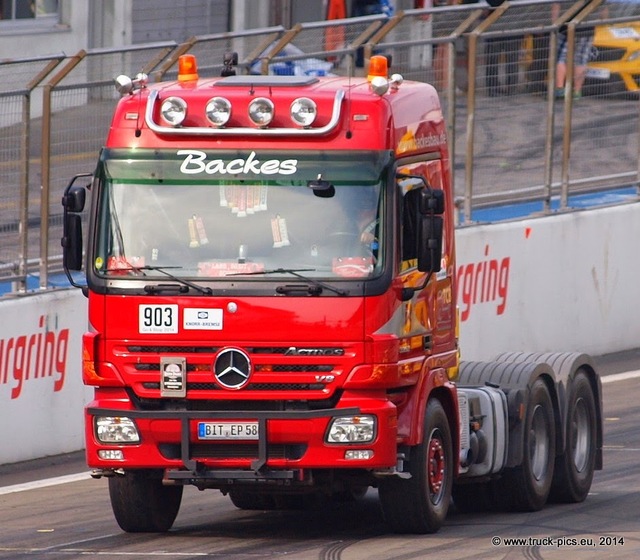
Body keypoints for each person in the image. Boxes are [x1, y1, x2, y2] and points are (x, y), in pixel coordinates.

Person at [553, 1, 608, 100]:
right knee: (581, 60)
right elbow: (603, 13)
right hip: (588, 29)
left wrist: (555, 23)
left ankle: (560, 89)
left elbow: (557, 5)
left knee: (560, 58)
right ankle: (577, 91)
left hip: (567, 28)